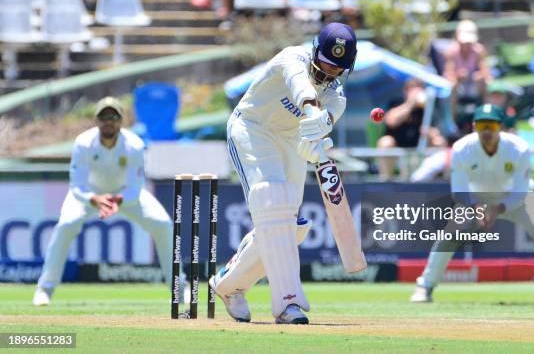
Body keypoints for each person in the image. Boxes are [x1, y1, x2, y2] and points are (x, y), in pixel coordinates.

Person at [208, 22, 357, 324]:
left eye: (336, 70)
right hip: (253, 128)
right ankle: (288, 303)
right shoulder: (292, 57)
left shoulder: (337, 97)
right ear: (315, 51)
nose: (328, 74)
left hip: (289, 141)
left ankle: (228, 285)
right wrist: (314, 116)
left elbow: (323, 120)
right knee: (272, 201)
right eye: (325, 65)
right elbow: (300, 87)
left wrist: (315, 142)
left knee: (293, 225)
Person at [410, 104, 534, 304]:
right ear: (474, 127)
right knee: (449, 234)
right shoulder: (461, 148)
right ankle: (425, 287)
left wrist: (498, 209)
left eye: (492, 126)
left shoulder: (519, 148)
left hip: (517, 197)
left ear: (501, 127)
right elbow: (459, 191)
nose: (487, 131)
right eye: (482, 126)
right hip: (475, 198)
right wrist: (476, 207)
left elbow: (521, 191)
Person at [33, 97, 174, 306]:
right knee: (66, 225)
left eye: (114, 117)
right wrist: (95, 199)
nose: (109, 121)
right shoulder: (83, 143)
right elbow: (77, 185)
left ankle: (179, 287)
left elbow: (135, 188)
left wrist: (117, 200)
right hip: (89, 195)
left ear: (121, 121)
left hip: (125, 195)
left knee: (163, 224)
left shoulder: (134, 144)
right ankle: (44, 289)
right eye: (104, 117)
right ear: (96, 120)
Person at [376, 79, 446, 180]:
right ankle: (386, 180)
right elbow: (391, 121)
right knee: (385, 142)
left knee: (439, 142)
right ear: (406, 91)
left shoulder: (428, 108)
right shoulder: (396, 103)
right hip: (398, 146)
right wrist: (411, 104)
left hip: (420, 148)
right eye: (412, 88)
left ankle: (440, 179)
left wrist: (430, 133)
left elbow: (436, 131)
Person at [444, 20, 492, 133]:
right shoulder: (451, 52)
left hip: (474, 86)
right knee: (452, 85)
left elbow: (486, 72)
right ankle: (452, 122)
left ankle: (488, 117)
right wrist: (458, 76)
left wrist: (479, 76)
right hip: (458, 87)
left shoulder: (479, 51)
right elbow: (448, 74)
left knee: (484, 83)